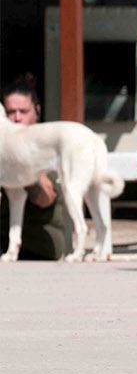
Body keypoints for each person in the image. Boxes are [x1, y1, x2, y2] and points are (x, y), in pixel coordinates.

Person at [0, 74, 70, 260]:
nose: (16, 118)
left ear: (37, 111)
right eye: (10, 112)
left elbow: (46, 198)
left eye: (23, 111)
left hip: (40, 242)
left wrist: (23, 169)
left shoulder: (47, 141)